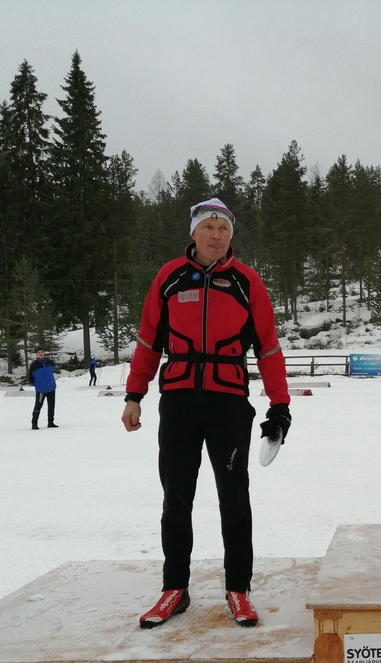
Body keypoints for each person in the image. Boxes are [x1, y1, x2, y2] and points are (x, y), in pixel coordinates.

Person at [122, 198, 291, 630]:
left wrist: (280, 404)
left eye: (224, 229)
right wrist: (134, 394)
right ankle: (174, 588)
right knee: (176, 497)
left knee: (234, 497)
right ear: (194, 232)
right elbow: (148, 340)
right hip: (179, 401)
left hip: (228, 403)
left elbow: (268, 346)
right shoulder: (170, 277)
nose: (217, 236)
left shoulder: (246, 281)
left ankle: (238, 588)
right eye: (209, 227)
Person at [28, 349, 58, 430]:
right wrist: (36, 385)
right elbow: (31, 377)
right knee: (38, 406)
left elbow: (53, 371)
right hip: (41, 389)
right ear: (36, 354)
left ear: (44, 353)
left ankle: (51, 422)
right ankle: (34, 423)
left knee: (51, 406)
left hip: (51, 388)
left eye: (42, 352)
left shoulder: (50, 362)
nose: (41, 354)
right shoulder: (34, 365)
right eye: (39, 352)